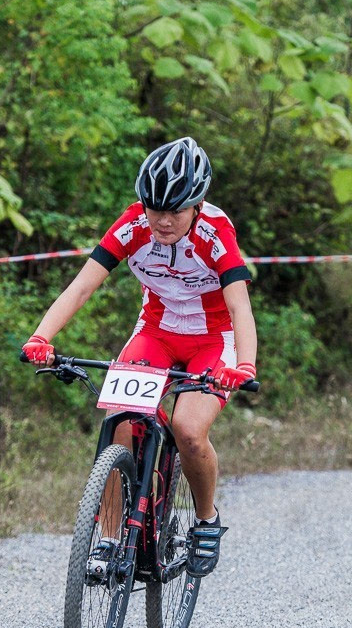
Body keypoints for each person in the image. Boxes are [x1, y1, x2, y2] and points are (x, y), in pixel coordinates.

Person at [21, 137, 258, 578]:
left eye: (176, 212)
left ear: (197, 206)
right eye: (155, 209)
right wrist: (41, 337)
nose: (163, 221)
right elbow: (82, 287)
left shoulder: (215, 233)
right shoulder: (132, 226)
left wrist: (243, 365)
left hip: (212, 339)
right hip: (156, 334)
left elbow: (241, 307)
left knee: (189, 429)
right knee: (121, 421)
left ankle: (205, 522)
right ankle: (110, 540)